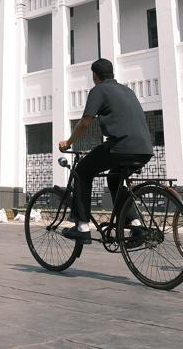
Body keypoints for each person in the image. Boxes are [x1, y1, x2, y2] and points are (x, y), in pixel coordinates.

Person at [56, 58, 154, 243]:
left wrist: (68, 143)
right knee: (114, 179)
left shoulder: (99, 90)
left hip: (121, 147)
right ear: (112, 73)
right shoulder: (127, 91)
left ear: (94, 75)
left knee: (82, 172)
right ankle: (135, 225)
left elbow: (85, 122)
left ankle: (82, 227)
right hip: (144, 149)